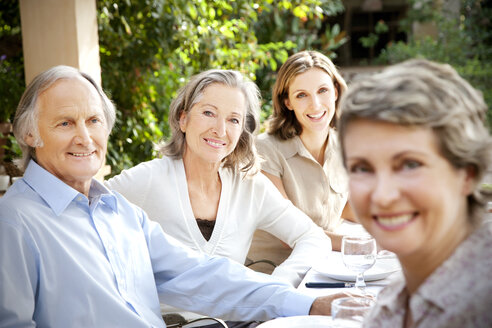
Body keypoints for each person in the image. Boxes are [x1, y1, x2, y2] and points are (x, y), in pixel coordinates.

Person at [0, 65, 343, 328]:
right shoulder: (13, 222)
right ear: (30, 133)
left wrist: (308, 304)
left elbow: (201, 275)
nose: (85, 137)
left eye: (93, 120)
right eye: (65, 123)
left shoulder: (118, 211)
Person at [105, 68, 331, 288]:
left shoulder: (250, 186)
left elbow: (312, 237)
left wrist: (278, 283)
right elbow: (81, 208)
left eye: (233, 120)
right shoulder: (148, 179)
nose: (220, 130)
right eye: (208, 113)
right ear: (183, 119)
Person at [338, 59, 492, 327]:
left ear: (466, 173)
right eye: (362, 168)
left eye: (410, 165)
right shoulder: (391, 302)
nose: (383, 196)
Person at [247, 50, 355, 276]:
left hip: (326, 268)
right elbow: (292, 233)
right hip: (274, 275)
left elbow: (343, 207)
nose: (315, 105)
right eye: (302, 95)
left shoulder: (346, 146)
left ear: (335, 91)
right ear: (287, 102)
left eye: (322, 90)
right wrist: (362, 245)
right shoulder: (265, 150)